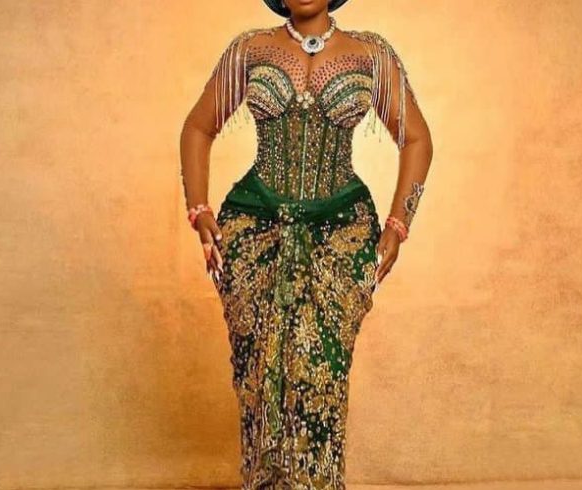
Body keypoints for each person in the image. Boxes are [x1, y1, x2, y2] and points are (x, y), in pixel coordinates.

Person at [179, 0, 433, 487]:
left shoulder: (370, 53)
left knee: (320, 375)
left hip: (340, 234)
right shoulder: (250, 49)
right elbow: (197, 127)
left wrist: (398, 224)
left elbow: (417, 139)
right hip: (255, 232)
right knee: (259, 377)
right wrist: (199, 207)